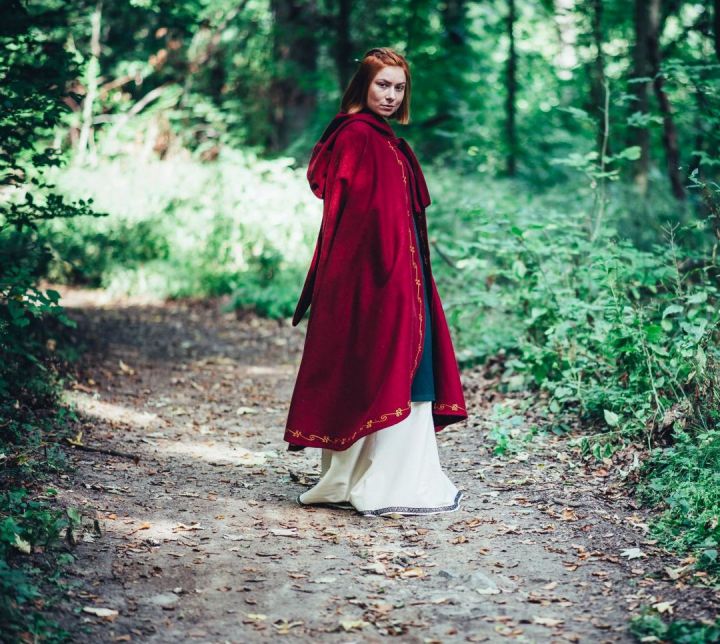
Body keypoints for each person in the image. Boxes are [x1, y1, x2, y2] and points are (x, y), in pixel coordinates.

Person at [284, 47, 467, 517]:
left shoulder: (384, 139)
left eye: (399, 87)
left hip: (403, 276)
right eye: (382, 85)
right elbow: (354, 220)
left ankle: (391, 479)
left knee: (410, 368)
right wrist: (377, 281)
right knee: (381, 364)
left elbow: (398, 219)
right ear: (364, 85)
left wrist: (407, 278)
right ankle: (366, 481)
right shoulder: (357, 136)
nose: (390, 95)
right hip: (374, 278)